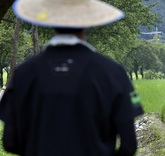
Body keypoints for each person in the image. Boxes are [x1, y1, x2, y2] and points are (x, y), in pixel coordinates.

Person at [0, 0, 144, 156]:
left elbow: (10, 142)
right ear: (88, 24)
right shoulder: (112, 72)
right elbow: (129, 145)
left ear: (50, 21)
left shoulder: (24, 73)